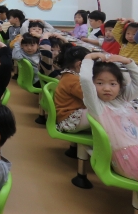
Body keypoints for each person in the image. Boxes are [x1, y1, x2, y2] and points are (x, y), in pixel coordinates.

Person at [80, 52, 138, 180]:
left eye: (113, 84)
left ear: (120, 86)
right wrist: (88, 58)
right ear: (92, 85)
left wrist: (127, 61)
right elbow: (85, 80)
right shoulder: (97, 106)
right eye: (100, 83)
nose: (107, 88)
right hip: (129, 159)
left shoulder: (123, 99)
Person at [54, 47, 91, 133]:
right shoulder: (74, 81)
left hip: (66, 117)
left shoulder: (68, 75)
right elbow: (91, 98)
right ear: (79, 64)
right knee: (104, 112)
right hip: (69, 120)